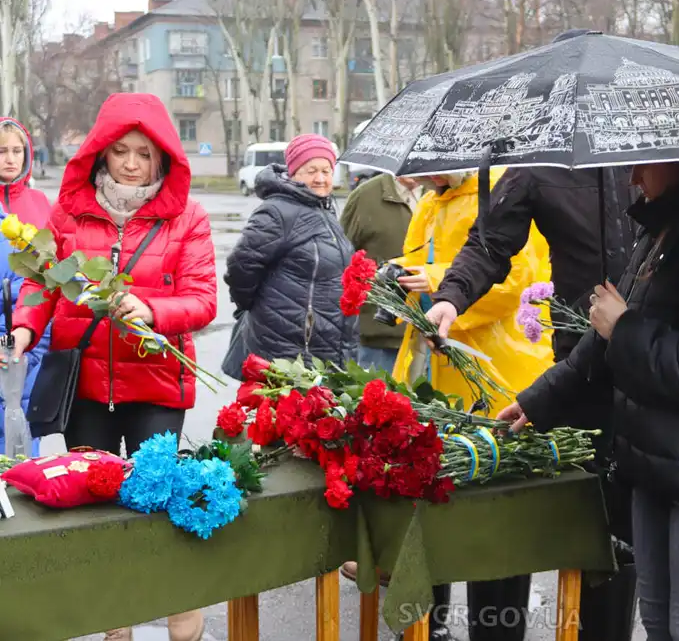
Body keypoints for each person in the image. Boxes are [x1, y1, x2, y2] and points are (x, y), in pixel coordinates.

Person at [497, 159, 679, 641]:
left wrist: (626, 328)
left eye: (642, 166)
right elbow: (602, 343)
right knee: (658, 620)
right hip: (658, 460)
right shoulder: (664, 229)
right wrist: (540, 401)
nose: (631, 179)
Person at [421, 32, 640, 641]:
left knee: (619, 547)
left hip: (652, 368)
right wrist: (448, 298)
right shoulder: (539, 163)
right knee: (530, 515)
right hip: (579, 369)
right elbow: (491, 242)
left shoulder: (653, 154)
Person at [7, 93, 215, 641]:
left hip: (156, 387)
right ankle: (113, 619)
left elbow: (202, 299)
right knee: (94, 505)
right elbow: (41, 280)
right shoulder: (69, 212)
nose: (130, 163)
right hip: (87, 389)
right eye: (120, 150)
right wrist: (27, 323)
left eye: (143, 154)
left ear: (162, 158)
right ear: (100, 154)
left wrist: (152, 310)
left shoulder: (187, 217)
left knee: (160, 500)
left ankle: (180, 606)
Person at [393, 170, 554, 641]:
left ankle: (496, 631)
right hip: (435, 379)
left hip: (497, 379)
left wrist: (441, 283)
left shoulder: (507, 192)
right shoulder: (430, 204)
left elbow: (516, 280)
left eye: (427, 164)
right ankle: (432, 626)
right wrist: (397, 271)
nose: (419, 175)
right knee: (431, 515)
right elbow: (420, 263)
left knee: (495, 530)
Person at [223, 134, 358, 378]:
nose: (320, 178)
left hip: (323, 349)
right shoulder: (277, 211)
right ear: (294, 172)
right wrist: (253, 308)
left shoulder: (323, 211)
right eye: (311, 170)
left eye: (327, 171)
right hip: (289, 352)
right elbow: (241, 265)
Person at [0, 117, 52, 457]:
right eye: (2, 151)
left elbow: (54, 266)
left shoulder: (40, 202)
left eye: (17, 150)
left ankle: (22, 481)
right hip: (2, 322)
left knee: (26, 415)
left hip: (35, 329)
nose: (10, 158)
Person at [339, 172, 421, 372]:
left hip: (431, 332)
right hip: (380, 334)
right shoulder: (366, 196)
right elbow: (342, 257)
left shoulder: (440, 192)